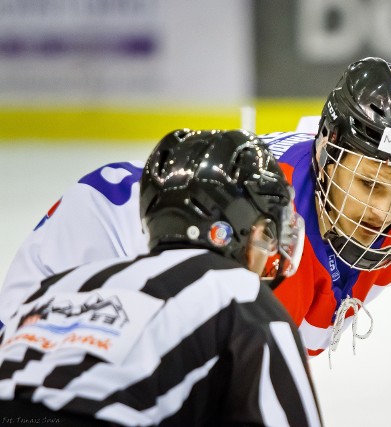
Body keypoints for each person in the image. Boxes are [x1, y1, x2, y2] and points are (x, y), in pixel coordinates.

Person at [0, 57, 391, 358]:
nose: (384, 211)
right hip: (84, 267)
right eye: (370, 183)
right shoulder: (262, 225)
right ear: (327, 151)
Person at [0, 129, 321, 426]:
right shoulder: (238, 293)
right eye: (266, 235)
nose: (271, 253)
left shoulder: (61, 288)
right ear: (233, 233)